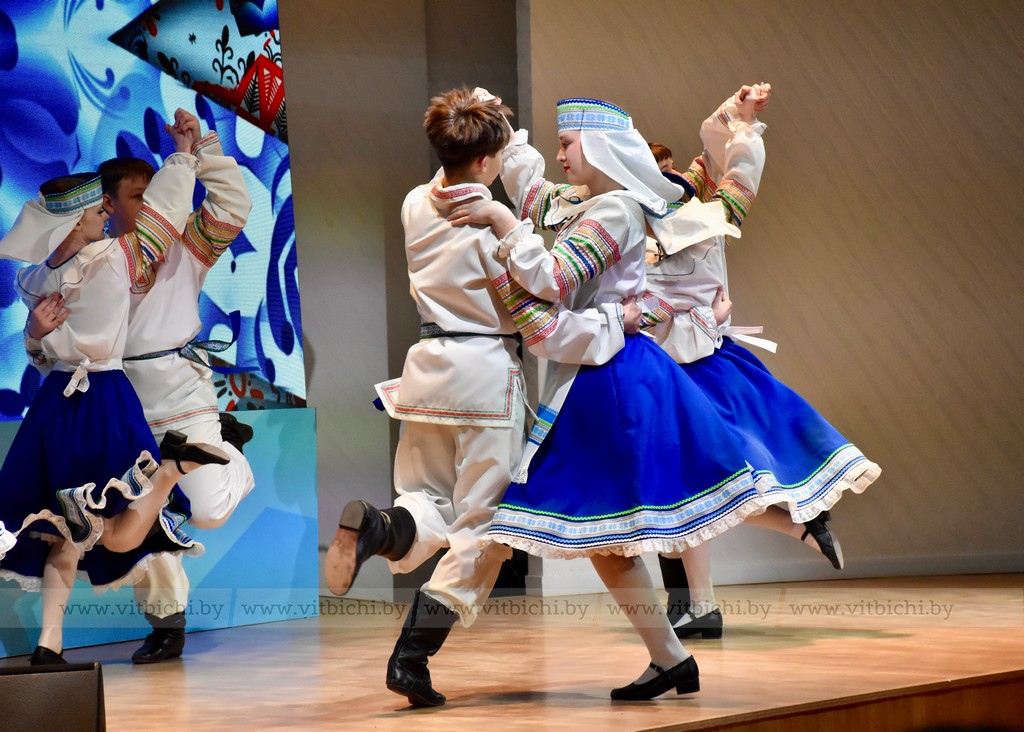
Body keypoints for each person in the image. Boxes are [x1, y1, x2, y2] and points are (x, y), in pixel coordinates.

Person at [323, 88, 640, 708]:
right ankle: (411, 657)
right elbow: (542, 306)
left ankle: (380, 528)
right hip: (484, 376)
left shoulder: (416, 203)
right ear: (488, 160)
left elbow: (455, 167)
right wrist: (613, 320)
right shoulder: (492, 229)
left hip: (425, 373)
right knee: (485, 530)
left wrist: (475, 125)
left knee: (426, 500)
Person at [447, 93, 758, 702]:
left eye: (567, 144)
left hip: (609, 377)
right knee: (604, 539)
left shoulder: (615, 210)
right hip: (597, 369)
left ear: (598, 147)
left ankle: (424, 611)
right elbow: (535, 194)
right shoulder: (589, 202)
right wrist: (504, 130)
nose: (560, 154)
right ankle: (671, 658)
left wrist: (501, 222)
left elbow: (553, 278)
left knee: (575, 524)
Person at [644, 85, 882, 640]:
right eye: (666, 171)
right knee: (682, 491)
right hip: (687, 360)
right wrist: (737, 117)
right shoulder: (684, 217)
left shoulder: (677, 224)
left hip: (680, 367)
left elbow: (727, 175)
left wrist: (741, 123)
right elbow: (719, 168)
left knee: (692, 488)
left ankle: (708, 597)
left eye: (670, 170)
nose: (677, 176)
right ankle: (700, 603)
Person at [0, 110, 230, 665]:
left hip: (88, 403)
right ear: (73, 222)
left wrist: (184, 159)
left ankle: (168, 471)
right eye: (98, 210)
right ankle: (49, 644)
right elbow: (164, 213)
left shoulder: (91, 264)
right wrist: (182, 155)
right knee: (72, 530)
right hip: (75, 404)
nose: (107, 215)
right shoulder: (68, 272)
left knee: (99, 532)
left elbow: (165, 213)